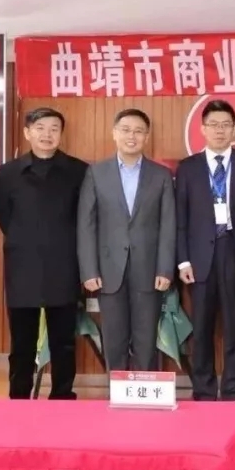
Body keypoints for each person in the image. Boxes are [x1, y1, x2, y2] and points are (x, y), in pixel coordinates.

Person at [0, 107, 88, 399]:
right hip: (23, 266)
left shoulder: (79, 171)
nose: (47, 134)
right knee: (22, 342)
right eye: (40, 128)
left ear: (61, 134)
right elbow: (4, 216)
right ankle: (19, 398)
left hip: (65, 266)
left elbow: (85, 218)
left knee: (64, 342)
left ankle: (62, 395)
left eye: (54, 129)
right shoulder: (8, 173)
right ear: (27, 132)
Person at [176, 99, 235, 401]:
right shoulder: (188, 168)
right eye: (213, 125)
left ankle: (233, 391)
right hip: (199, 257)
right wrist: (183, 260)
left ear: (234, 129)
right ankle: (203, 391)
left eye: (226, 125)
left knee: (234, 327)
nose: (219, 130)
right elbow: (181, 217)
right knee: (201, 328)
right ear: (202, 129)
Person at [77, 108, 176, 372]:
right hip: (108, 271)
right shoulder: (96, 173)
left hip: (149, 270)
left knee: (146, 340)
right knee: (114, 340)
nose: (132, 136)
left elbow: (168, 224)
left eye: (138, 131)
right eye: (126, 130)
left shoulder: (161, 175)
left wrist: (165, 268)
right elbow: (86, 225)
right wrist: (89, 270)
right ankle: (117, 391)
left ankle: (143, 390)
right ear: (114, 133)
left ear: (147, 136)